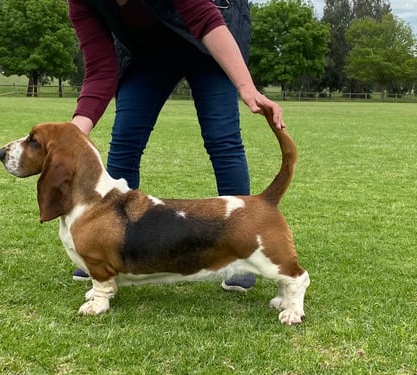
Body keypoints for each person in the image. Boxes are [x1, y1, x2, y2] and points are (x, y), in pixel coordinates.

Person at [68, 0, 285, 291]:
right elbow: (100, 70)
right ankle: (105, 250)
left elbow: (205, 19)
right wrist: (71, 136)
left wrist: (246, 87)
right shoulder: (81, 2)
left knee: (223, 140)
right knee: (125, 138)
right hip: (150, 51)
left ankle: (241, 249)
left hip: (208, 42)